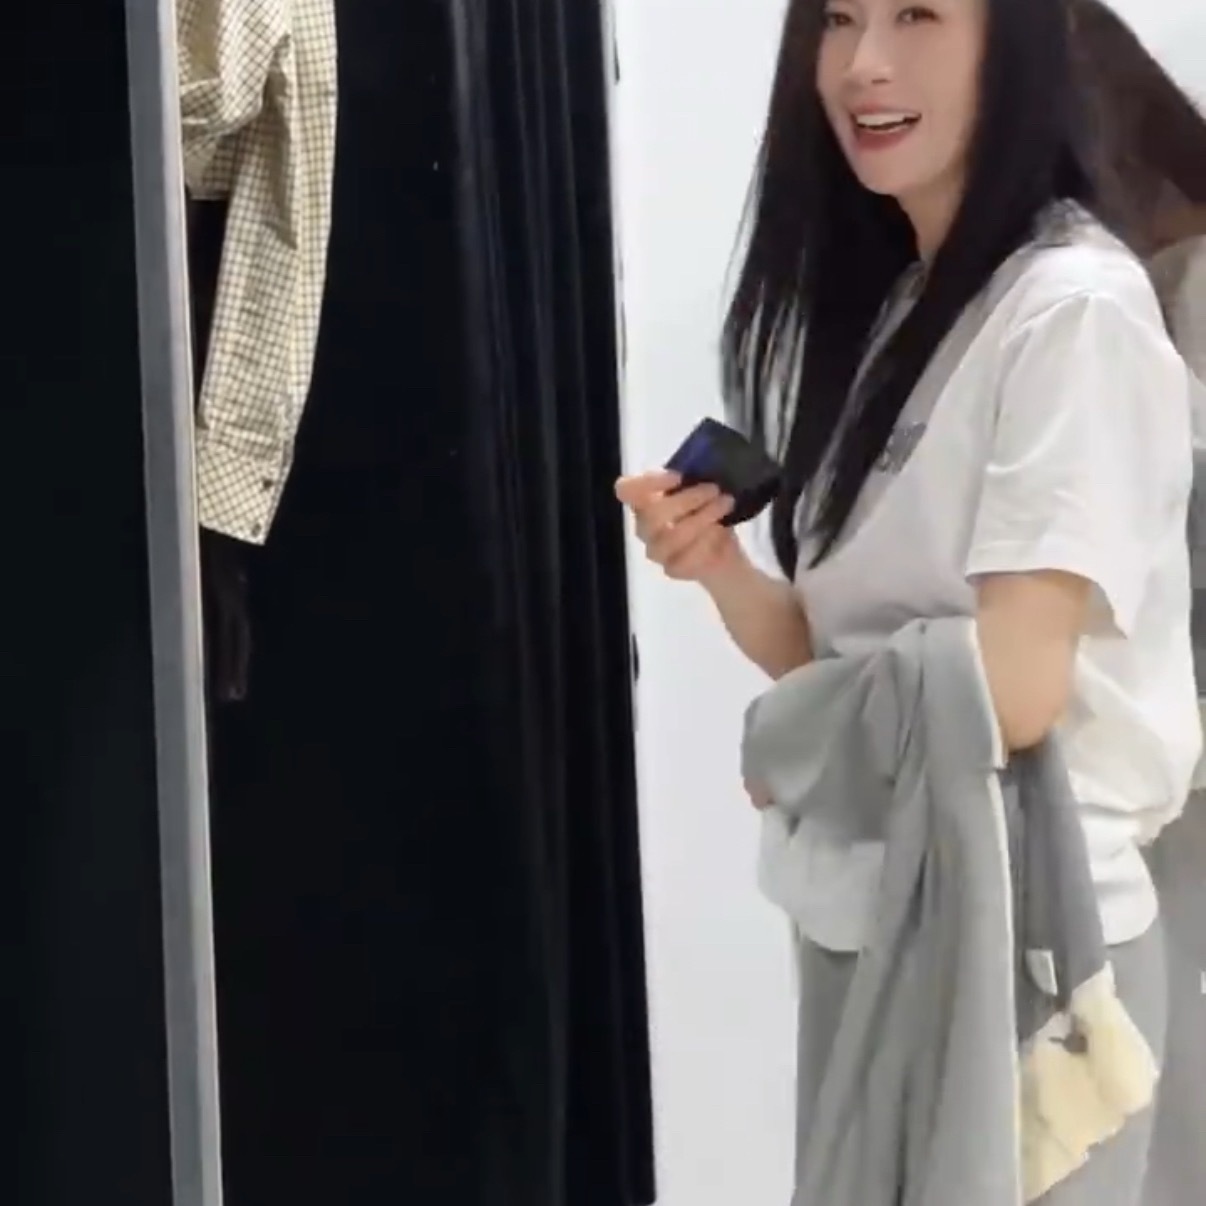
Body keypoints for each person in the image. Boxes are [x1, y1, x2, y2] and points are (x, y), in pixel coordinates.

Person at [615, 1, 1201, 1203]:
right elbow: (836, 650)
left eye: (919, 14)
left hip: (1025, 956)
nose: (865, 64)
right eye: (839, 19)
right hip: (875, 922)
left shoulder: (1074, 309)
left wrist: (808, 743)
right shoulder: (909, 309)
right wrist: (721, 569)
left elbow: (1014, 689)